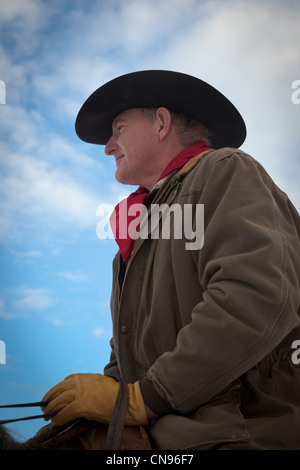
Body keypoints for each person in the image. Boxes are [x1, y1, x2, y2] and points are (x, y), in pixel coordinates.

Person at [41, 70, 300, 450]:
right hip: (168, 433)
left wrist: (144, 399)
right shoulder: (136, 233)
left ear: (161, 123)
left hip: (237, 436)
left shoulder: (225, 169)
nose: (108, 146)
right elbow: (127, 353)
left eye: (119, 128)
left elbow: (257, 298)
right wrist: (109, 390)